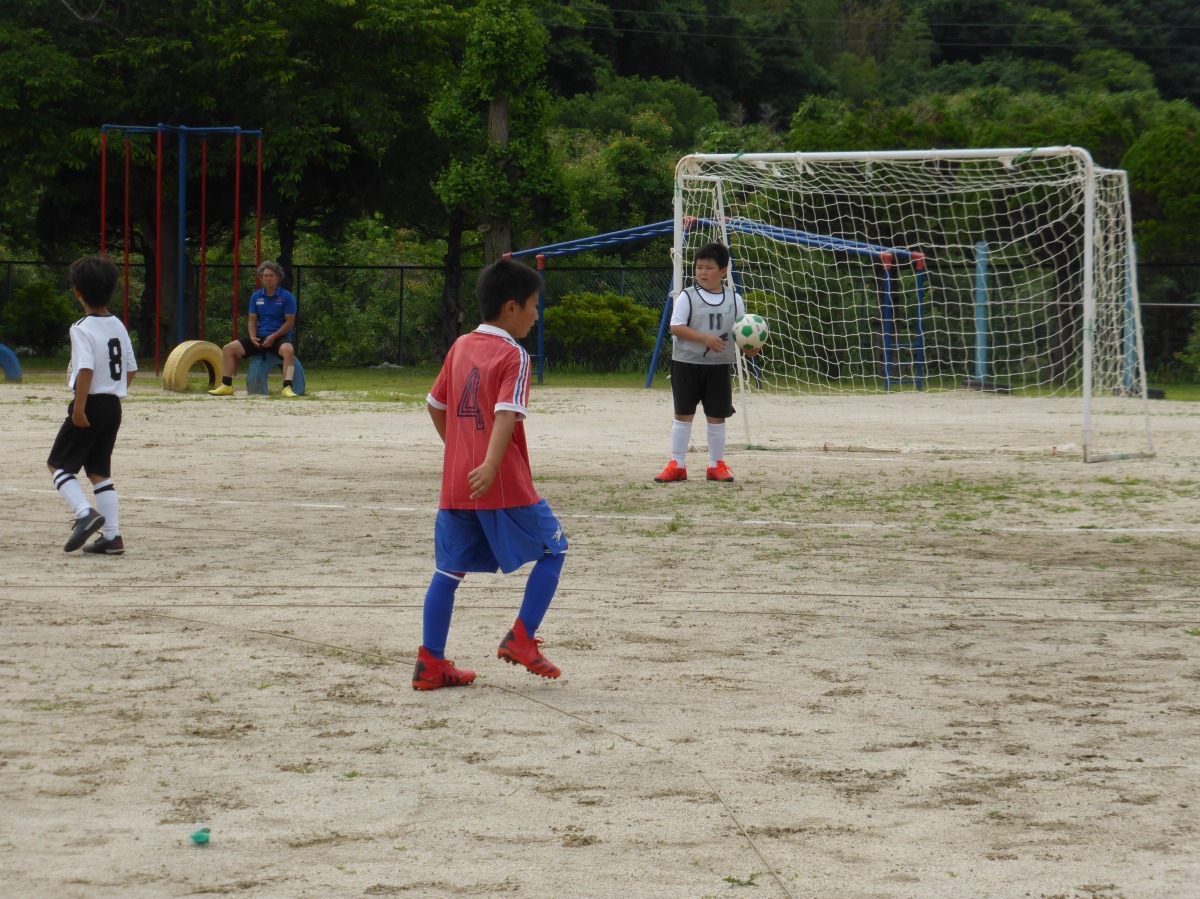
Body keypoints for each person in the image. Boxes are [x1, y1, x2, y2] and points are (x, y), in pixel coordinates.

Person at [412, 258, 569, 691]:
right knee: (555, 549)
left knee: (448, 571)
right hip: (501, 483)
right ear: (511, 307)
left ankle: (430, 662)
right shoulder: (513, 354)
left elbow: (435, 404)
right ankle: (522, 638)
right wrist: (491, 464)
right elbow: (505, 413)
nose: (537, 314)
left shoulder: (461, 344)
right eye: (534, 305)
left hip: (458, 482)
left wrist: (462, 453)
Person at [47, 256, 138, 555]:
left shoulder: (81, 327)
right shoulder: (118, 324)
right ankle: (112, 537)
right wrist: (114, 389)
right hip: (112, 405)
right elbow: (131, 368)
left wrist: (79, 407)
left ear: (77, 292)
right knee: (99, 471)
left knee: (58, 465)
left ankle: (85, 513)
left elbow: (85, 369)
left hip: (89, 403)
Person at [654, 241, 760, 484]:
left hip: (718, 367)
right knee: (683, 415)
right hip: (686, 365)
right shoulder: (687, 297)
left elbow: (740, 332)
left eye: (708, 268)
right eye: (699, 267)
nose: (702, 272)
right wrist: (705, 339)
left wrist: (750, 348)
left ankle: (716, 465)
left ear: (723, 271)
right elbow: (676, 327)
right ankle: (677, 464)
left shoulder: (735, 300)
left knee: (717, 417)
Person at [208, 260, 298, 397]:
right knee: (228, 348)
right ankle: (226, 385)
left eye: (271, 275)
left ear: (278, 277)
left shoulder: (287, 297)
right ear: (261, 278)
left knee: (288, 350)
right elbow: (252, 320)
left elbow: (290, 322)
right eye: (265, 276)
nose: (268, 278)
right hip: (260, 336)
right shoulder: (256, 296)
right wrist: (252, 337)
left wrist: (274, 336)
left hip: (279, 336)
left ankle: (287, 387)